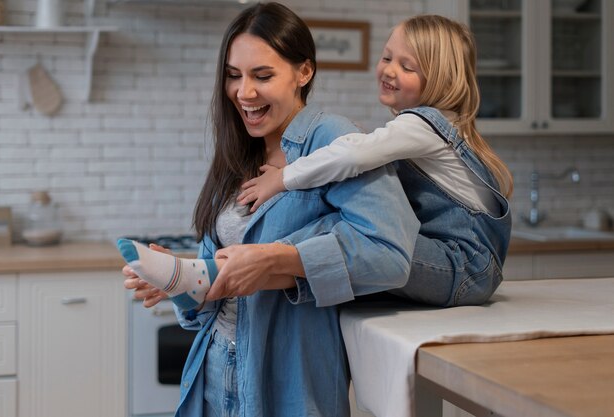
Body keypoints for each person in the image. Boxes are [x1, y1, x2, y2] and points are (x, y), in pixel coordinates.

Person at [121, 3, 419, 417]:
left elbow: (390, 252)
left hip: (289, 388)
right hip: (212, 380)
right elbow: (212, 300)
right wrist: (180, 280)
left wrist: (276, 260)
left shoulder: (333, 141)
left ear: (304, 72)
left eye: (262, 76)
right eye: (233, 75)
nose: (244, 92)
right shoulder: (240, 151)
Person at [237, 14, 513, 307]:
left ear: (440, 79)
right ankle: (269, 270)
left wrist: (282, 178)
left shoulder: (424, 125)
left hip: (462, 268)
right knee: (355, 248)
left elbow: (353, 154)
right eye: (387, 58)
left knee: (343, 227)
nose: (389, 70)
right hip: (462, 269)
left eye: (407, 66)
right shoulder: (429, 128)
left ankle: (261, 261)